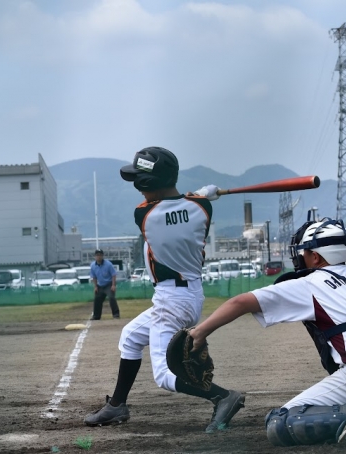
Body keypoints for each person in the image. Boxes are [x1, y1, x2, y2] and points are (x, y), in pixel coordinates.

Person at [188, 214, 346, 446]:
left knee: (280, 422)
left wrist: (199, 332)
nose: (300, 257)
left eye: (304, 252)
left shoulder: (310, 283)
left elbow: (240, 302)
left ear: (316, 257)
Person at [83, 146, 245, 433]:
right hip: (188, 295)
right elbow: (183, 203)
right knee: (131, 336)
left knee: (164, 374)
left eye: (140, 180)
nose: (137, 186)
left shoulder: (144, 214)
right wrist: (203, 194)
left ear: (149, 181)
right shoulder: (202, 208)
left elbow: (170, 206)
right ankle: (117, 405)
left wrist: (200, 192)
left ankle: (222, 396)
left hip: (172, 300)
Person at [89, 249, 120, 320]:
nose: (99, 257)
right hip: (100, 285)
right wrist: (95, 286)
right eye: (97, 255)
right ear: (95, 256)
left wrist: (113, 285)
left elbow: (113, 275)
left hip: (109, 284)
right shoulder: (93, 265)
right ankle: (96, 316)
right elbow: (94, 277)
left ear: (102, 256)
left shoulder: (108, 264)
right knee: (97, 299)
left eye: (100, 255)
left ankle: (116, 314)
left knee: (111, 297)